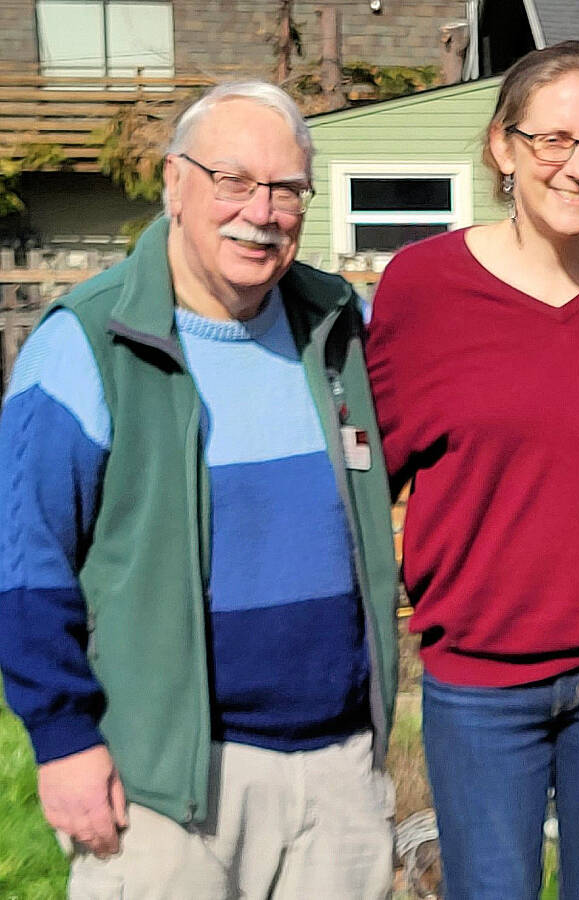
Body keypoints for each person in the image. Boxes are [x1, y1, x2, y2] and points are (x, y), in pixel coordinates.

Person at [0, 81, 399, 898]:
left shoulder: (336, 329)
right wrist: (63, 738)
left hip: (339, 772)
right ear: (174, 185)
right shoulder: (88, 343)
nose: (263, 211)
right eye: (235, 181)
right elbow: (23, 564)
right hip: (166, 785)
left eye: (288, 190)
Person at [365, 41, 579, 900]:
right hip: (481, 675)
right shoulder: (422, 287)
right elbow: (370, 473)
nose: (577, 167)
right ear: (502, 148)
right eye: (553, 139)